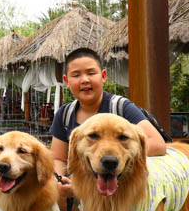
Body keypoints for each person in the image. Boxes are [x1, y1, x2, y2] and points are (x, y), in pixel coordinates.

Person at [50, 48, 167, 197]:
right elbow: (58, 158)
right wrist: (60, 179)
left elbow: (158, 143)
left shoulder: (121, 107)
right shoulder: (64, 114)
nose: (85, 80)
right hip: (81, 191)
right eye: (76, 75)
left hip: (123, 194)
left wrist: (122, 155)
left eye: (91, 73)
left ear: (103, 76)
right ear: (66, 81)